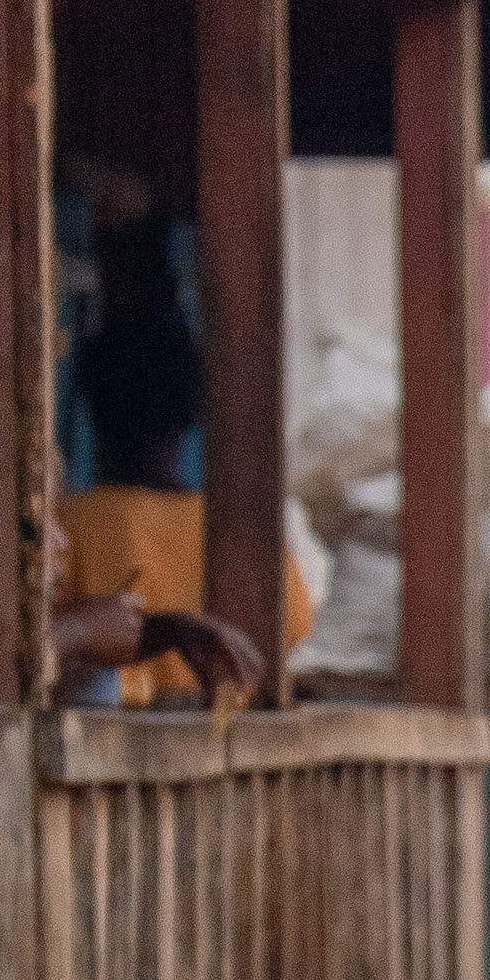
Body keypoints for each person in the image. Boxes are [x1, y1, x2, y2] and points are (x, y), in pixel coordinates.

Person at [57, 230, 306, 702]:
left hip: (111, 749)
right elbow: (293, 623)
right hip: (217, 741)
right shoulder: (233, 528)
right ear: (191, 415)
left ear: (93, 409)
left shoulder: (72, 524)